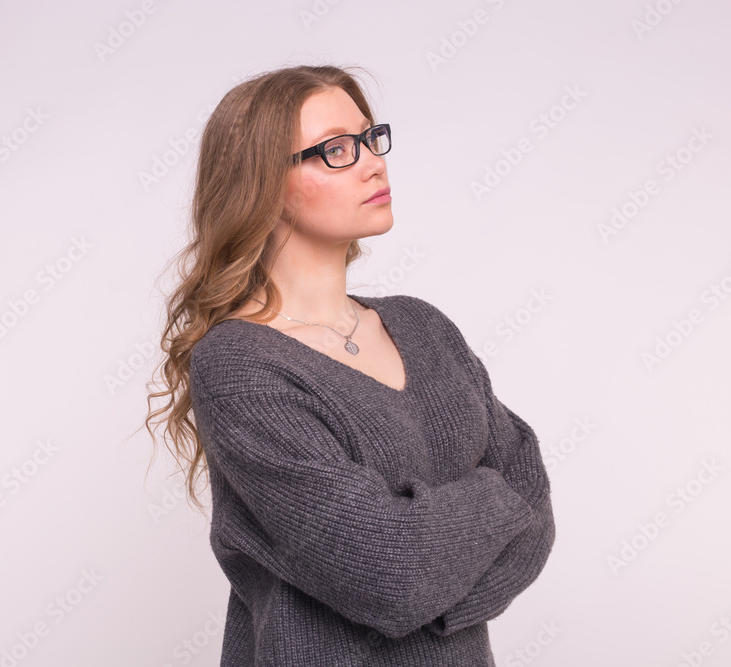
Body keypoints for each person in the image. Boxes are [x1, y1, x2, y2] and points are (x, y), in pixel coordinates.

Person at [144, 64, 555, 666]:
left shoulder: (422, 325)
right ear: (261, 184)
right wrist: (494, 497)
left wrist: (425, 557)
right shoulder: (239, 366)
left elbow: (537, 513)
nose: (371, 161)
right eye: (335, 149)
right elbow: (395, 577)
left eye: (369, 137)